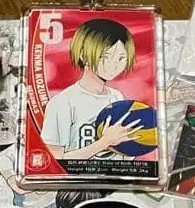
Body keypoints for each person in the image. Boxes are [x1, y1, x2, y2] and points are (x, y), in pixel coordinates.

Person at [41, 19, 141, 160]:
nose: (114, 65)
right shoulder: (63, 103)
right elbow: (53, 160)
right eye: (105, 56)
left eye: (121, 58)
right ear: (83, 55)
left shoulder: (117, 97)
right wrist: (104, 142)